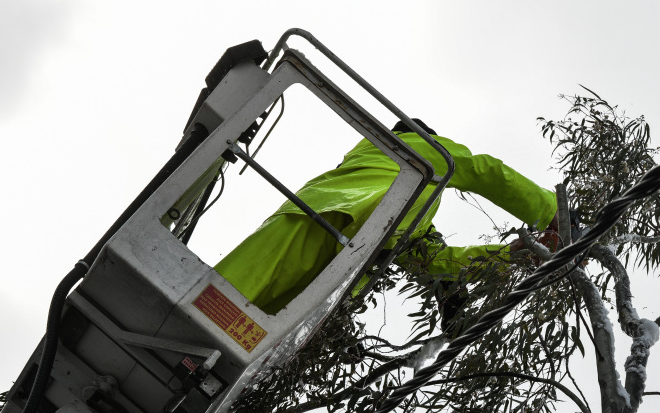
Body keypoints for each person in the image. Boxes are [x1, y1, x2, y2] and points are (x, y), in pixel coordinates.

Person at [214, 120, 558, 317]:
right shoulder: (421, 148)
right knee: (223, 304)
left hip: (328, 242)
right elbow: (486, 171)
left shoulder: (412, 206)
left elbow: (430, 260)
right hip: (322, 220)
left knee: (237, 316)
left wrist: (509, 255)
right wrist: (551, 213)